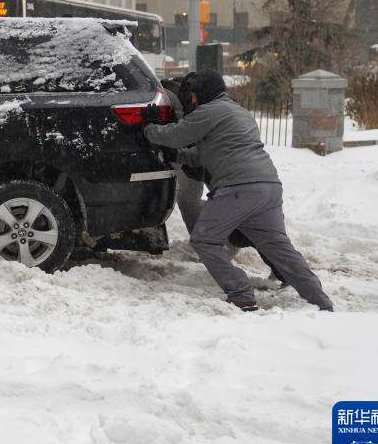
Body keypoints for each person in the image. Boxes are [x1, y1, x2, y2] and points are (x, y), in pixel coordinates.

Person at [142, 70, 332, 312]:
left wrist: (149, 128)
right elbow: (207, 154)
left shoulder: (208, 112)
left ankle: (240, 292)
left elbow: (176, 134)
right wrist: (179, 156)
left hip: (238, 188)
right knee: (279, 249)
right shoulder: (238, 111)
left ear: (201, 93)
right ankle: (320, 300)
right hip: (268, 187)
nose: (190, 100)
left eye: (191, 95)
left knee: (204, 239)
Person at [160, 76, 287, 288]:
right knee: (254, 227)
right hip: (225, 172)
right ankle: (279, 268)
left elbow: (183, 134)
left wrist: (157, 137)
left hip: (232, 176)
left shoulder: (197, 107)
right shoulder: (213, 104)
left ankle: (278, 271)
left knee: (252, 227)